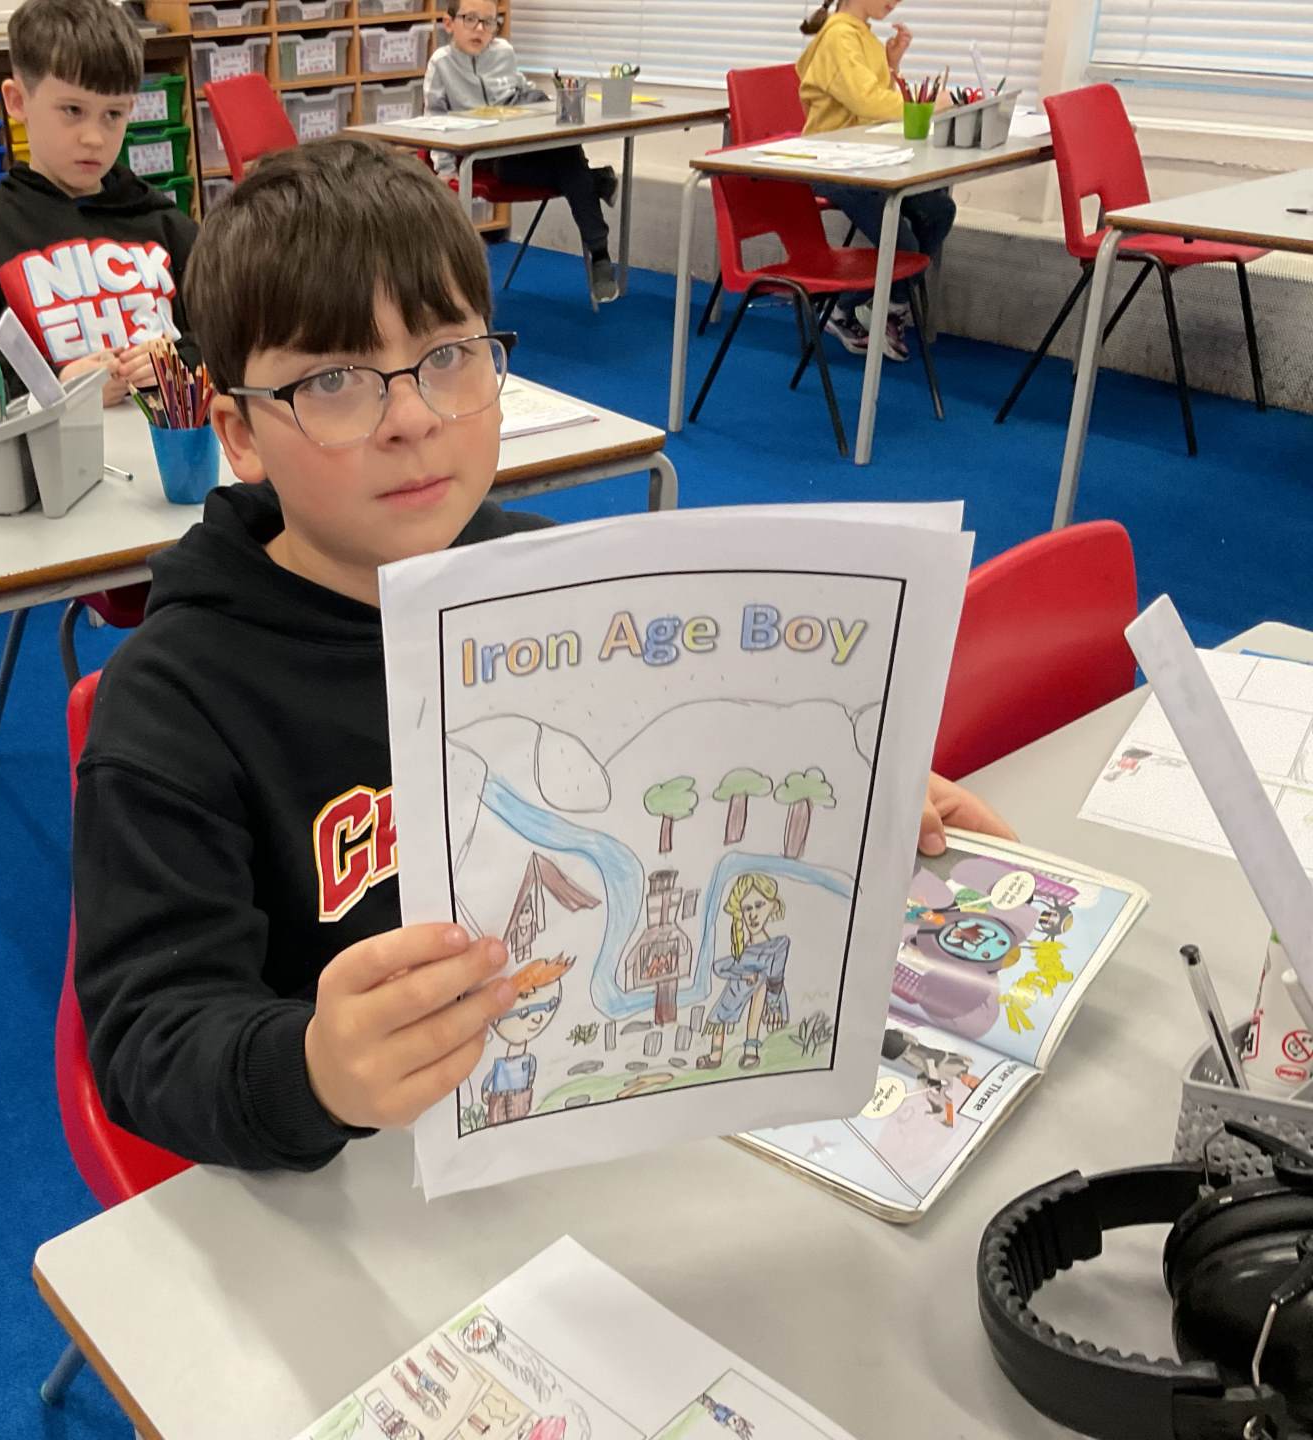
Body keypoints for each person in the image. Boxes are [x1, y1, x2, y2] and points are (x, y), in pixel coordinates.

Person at [71, 134, 1016, 1173]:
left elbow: (683, 776)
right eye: (335, 379)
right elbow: (148, 1037)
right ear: (241, 434)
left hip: (606, 1138)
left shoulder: (556, 602)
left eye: (448, 357)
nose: (412, 417)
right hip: (364, 1187)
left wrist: (855, 805)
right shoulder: (176, 699)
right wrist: (312, 1070)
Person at [0, 0, 197, 408]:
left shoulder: (166, 225)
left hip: (164, 441)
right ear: (17, 101)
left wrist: (179, 363)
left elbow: (229, 341)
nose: (94, 138)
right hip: (49, 445)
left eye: (112, 114)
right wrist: (56, 386)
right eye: (72, 110)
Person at [424, 0, 621, 303]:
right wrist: (445, 169)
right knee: (574, 172)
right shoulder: (441, 63)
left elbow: (520, 87)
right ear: (449, 23)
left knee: (567, 149)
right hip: (485, 157)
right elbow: (434, 118)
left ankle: (600, 254)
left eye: (489, 22)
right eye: (471, 19)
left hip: (520, 143)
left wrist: (541, 101)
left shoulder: (503, 51)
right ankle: (595, 190)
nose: (480, 29)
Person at [796, 0, 955, 362]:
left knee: (938, 210)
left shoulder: (862, 35)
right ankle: (850, 307)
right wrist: (931, 106)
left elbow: (872, 99)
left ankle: (880, 306)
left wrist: (891, 63)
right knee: (902, 241)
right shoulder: (838, 36)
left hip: (867, 160)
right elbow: (868, 103)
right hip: (831, 162)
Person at [700, 873, 789, 1071]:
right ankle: (715, 1056)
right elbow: (718, 967)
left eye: (759, 905)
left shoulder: (777, 946)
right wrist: (742, 975)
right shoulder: (743, 954)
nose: (753, 915)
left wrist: (774, 1005)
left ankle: (751, 1050)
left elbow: (776, 976)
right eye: (747, 908)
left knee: (761, 985)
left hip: (767, 992)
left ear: (773, 906)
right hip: (736, 990)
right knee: (719, 1014)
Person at [481, 957, 572, 1125]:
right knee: (496, 1121)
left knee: (519, 1119)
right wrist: (485, 1090)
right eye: (524, 1012)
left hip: (521, 1095)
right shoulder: (499, 1064)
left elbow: (530, 1076)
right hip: (498, 1097)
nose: (538, 1018)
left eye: (550, 1006)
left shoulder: (529, 1060)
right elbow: (491, 1076)